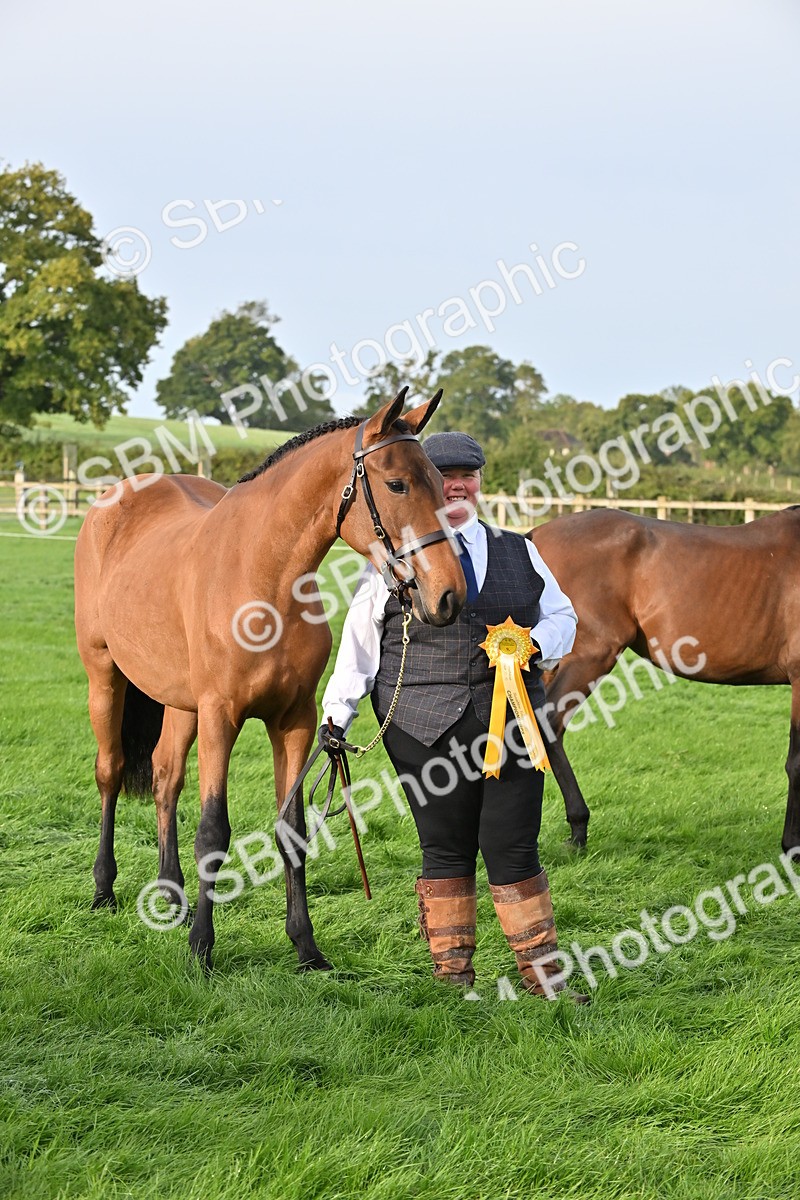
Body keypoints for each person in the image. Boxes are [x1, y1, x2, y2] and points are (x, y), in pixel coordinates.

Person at [321, 430, 585, 1001]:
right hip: (419, 724)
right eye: (447, 477)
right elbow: (360, 644)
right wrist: (336, 714)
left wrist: (532, 644)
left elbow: (563, 616)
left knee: (514, 844)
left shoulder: (521, 550)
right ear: (428, 487)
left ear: (480, 482)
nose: (459, 484)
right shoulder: (391, 562)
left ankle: (544, 980)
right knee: (444, 846)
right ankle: (452, 981)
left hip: (513, 720)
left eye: (469, 475)